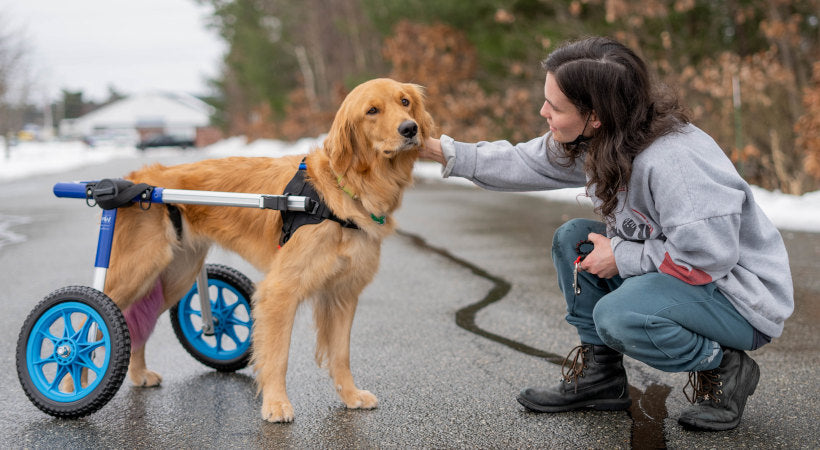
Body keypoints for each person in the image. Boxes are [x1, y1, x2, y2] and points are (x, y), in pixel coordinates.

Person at [419, 36, 793, 431]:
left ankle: (724, 366)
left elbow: (706, 257)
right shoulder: (603, 139)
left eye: (556, 106)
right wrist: (436, 151)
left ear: (595, 114)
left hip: (739, 299)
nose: (543, 111)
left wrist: (621, 257)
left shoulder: (677, 164)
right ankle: (601, 379)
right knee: (574, 239)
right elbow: (521, 162)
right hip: (692, 272)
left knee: (617, 316)